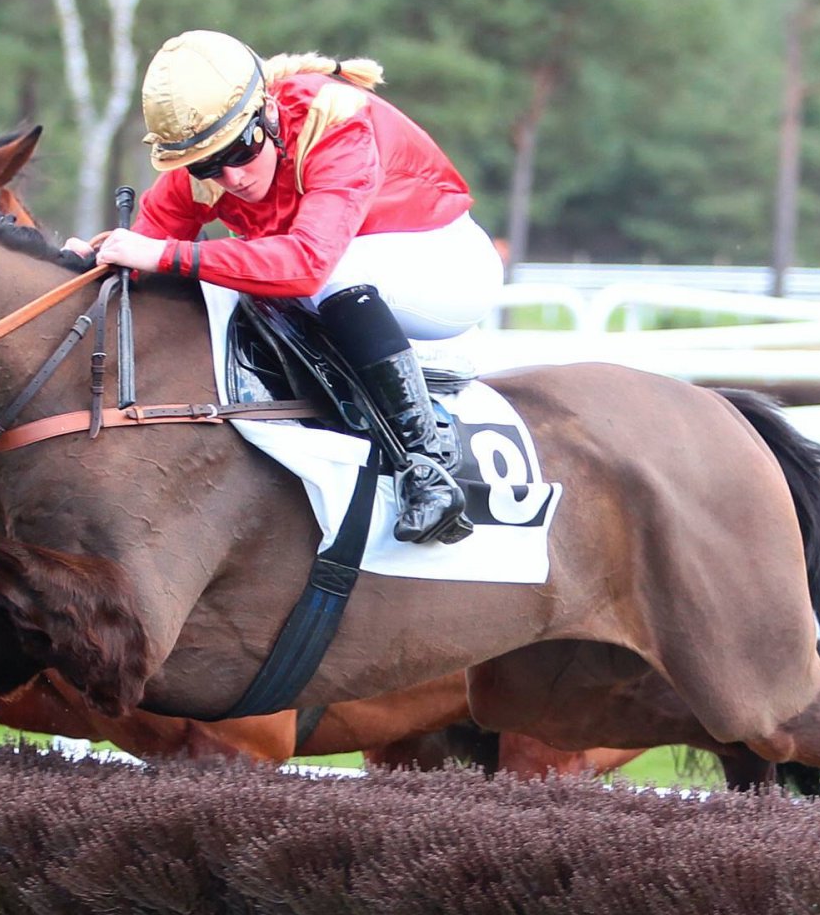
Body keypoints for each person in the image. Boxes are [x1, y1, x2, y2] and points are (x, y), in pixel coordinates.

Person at [65, 30, 503, 545]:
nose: (231, 177)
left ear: (268, 114)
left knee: (317, 277)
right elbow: (140, 254)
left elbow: (307, 265)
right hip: (347, 273)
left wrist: (165, 255)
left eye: (241, 150)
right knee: (239, 281)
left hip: (445, 264)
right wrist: (86, 264)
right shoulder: (203, 167)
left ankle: (427, 466)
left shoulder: (334, 120)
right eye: (207, 165)